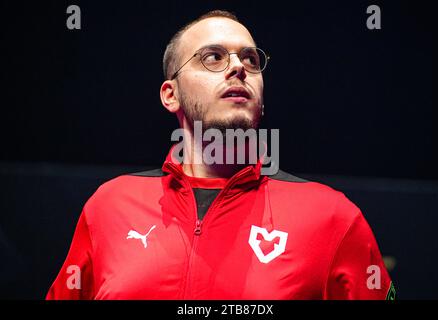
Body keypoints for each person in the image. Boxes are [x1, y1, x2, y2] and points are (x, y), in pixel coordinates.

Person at [46, 10, 395, 300]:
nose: (238, 67)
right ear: (171, 94)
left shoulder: (333, 217)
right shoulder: (109, 206)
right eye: (212, 57)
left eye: (251, 59)